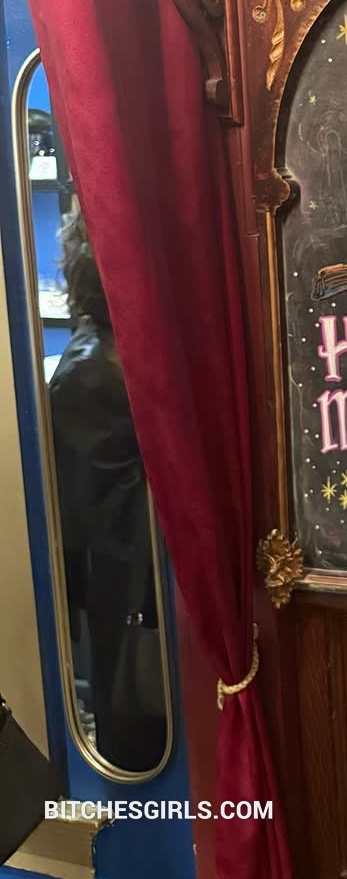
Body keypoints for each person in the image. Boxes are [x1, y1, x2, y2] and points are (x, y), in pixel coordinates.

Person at [49, 205, 165, 771]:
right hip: (129, 598)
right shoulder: (88, 374)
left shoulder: (121, 353)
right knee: (140, 731)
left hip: (141, 591)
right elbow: (100, 521)